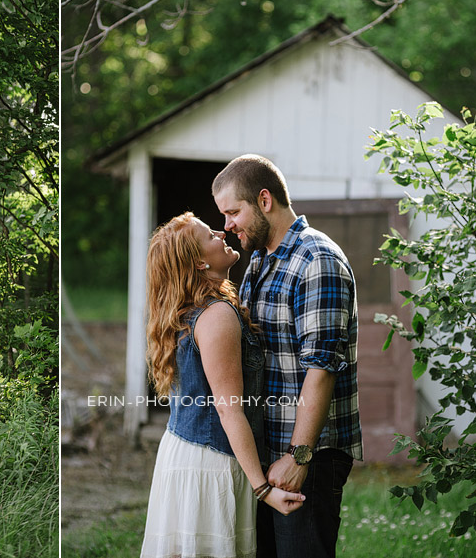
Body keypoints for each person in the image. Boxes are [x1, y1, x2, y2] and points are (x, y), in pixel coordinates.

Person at [212, 154, 362, 558]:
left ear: (264, 200)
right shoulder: (260, 258)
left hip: (306, 457)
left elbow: (322, 370)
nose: (227, 226)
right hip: (268, 454)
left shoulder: (317, 261)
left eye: (232, 212)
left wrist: (299, 457)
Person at [140, 212, 304, 558]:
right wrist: (262, 489)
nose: (221, 232)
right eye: (209, 235)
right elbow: (229, 411)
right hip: (210, 465)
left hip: (188, 452)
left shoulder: (191, 311)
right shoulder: (216, 316)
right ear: (199, 263)